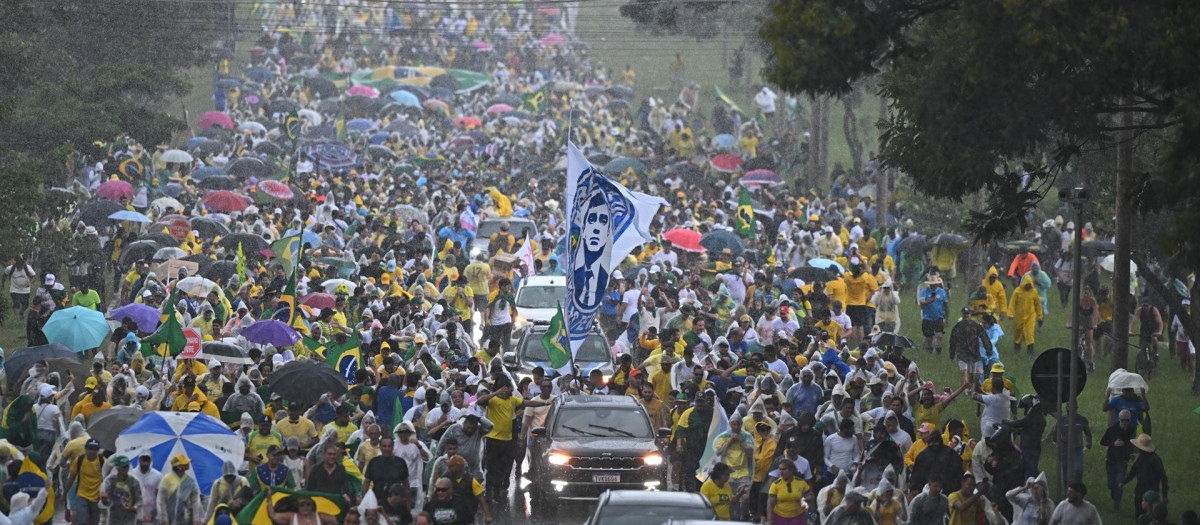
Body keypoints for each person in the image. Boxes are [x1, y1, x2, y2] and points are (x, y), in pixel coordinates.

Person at [1123, 434, 1168, 521]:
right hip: (1140, 492)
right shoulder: (1141, 457)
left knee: (1151, 516)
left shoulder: (1155, 459)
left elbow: (1163, 477)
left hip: (1151, 494)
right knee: (1139, 516)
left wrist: (1165, 494)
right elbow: (1133, 471)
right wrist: (1124, 482)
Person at [1100, 409, 1136, 511]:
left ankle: (1117, 504)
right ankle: (1114, 493)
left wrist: (1131, 453)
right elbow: (1102, 442)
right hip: (1111, 460)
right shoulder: (1112, 429)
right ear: (1119, 419)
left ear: (1129, 420)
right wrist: (1113, 443)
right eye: (1122, 420)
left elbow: (1131, 442)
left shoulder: (1131, 429)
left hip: (1123, 460)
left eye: (1127, 420)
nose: (1124, 423)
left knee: (1119, 483)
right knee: (1111, 484)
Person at [67, 438, 105, 525]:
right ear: (86, 449)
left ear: (98, 450)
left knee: (94, 522)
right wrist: (65, 494)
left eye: (95, 449)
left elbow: (108, 477)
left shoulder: (102, 461)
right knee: (82, 520)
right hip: (82, 495)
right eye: (90, 448)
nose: (92, 451)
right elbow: (71, 478)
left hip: (96, 497)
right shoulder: (79, 460)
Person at [157, 454, 203, 525]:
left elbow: (195, 502)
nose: (188, 464)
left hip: (186, 519)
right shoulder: (167, 479)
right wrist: (164, 519)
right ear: (179, 466)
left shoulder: (190, 481)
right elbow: (162, 501)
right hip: (169, 518)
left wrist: (196, 520)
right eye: (185, 463)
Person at [99, 455, 143, 525]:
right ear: (118, 468)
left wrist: (133, 508)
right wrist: (104, 500)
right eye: (123, 467)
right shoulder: (111, 481)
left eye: (127, 466)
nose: (126, 469)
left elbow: (140, 501)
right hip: (114, 517)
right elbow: (108, 502)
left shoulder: (134, 482)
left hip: (129, 518)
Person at [1008, 273, 1044, 356]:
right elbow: (1012, 303)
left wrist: (1040, 315)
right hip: (1018, 316)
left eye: (1029, 285)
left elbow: (1038, 305)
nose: (1028, 286)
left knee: (1029, 333)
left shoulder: (1034, 291)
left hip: (1030, 316)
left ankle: (1030, 353)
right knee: (1018, 333)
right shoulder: (1017, 291)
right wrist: (1010, 313)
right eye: (1026, 285)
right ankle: (1017, 351)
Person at [766, 459, 809, 525]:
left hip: (798, 517)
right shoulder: (775, 484)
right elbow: (770, 504)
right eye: (780, 469)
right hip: (779, 518)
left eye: (784, 469)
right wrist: (770, 521)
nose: (781, 472)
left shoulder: (801, 483)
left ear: (791, 470)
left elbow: (809, 498)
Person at [265, 488, 338, 525]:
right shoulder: (291, 516)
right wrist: (269, 499)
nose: (305, 507)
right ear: (297, 506)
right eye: (302, 505)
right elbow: (273, 515)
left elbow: (339, 519)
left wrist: (346, 501)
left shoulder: (321, 516)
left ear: (312, 505)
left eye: (308, 504)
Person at [918, 276, 948, 353]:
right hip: (927, 317)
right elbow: (921, 303)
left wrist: (947, 318)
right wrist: (930, 301)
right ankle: (928, 351)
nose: (933, 285)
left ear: (937, 284)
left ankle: (938, 352)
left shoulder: (942, 292)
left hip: (939, 317)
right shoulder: (924, 291)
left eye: (934, 284)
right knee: (928, 338)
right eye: (931, 284)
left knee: (939, 336)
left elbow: (946, 305)